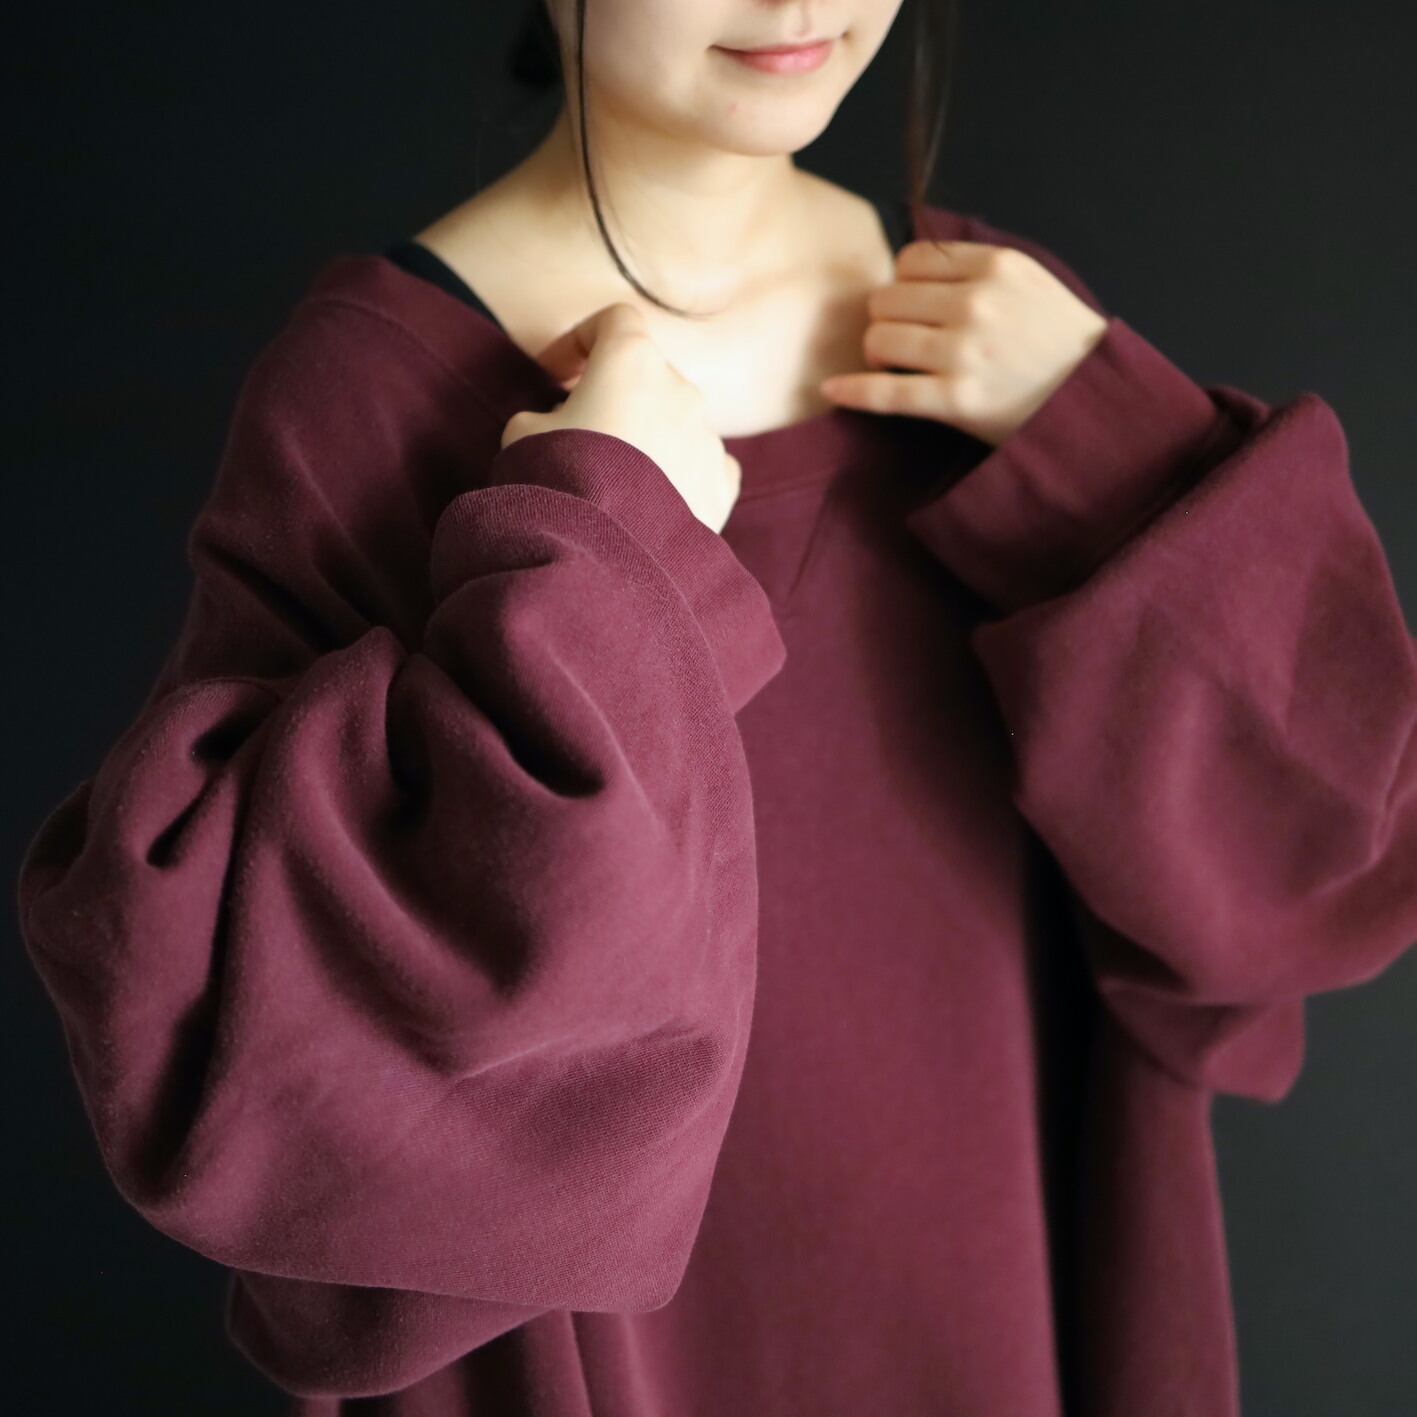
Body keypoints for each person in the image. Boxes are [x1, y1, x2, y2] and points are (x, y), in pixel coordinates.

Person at [15, 2, 1417, 1415]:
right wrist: (595, 543)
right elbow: (224, 1025)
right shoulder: (374, 393)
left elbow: (1320, 854)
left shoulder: (1000, 335)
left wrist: (1119, 453)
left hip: (1006, 1307)